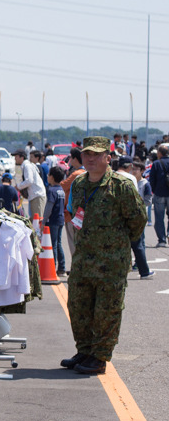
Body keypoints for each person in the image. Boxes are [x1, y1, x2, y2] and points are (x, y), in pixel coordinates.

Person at [61, 137, 147, 376]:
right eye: (87, 154)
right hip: (82, 259)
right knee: (79, 307)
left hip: (111, 262)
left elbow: (138, 220)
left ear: (108, 158)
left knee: (106, 311)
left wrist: (117, 244)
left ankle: (99, 357)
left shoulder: (121, 185)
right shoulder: (78, 184)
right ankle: (85, 350)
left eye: (97, 154)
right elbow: (75, 215)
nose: (90, 158)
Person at [60, 147, 87, 268]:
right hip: (82, 212)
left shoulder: (76, 174)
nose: (70, 160)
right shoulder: (86, 173)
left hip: (71, 213)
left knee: (72, 241)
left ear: (75, 159)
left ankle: (77, 267)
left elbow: (61, 186)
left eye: (71, 158)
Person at [44, 166, 67, 275]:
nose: (47, 177)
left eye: (48, 175)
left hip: (53, 220)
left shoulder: (52, 190)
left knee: (52, 244)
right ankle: (62, 267)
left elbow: (49, 207)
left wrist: (44, 220)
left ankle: (52, 266)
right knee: (58, 243)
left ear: (52, 177)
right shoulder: (60, 190)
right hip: (61, 219)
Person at [13, 149, 46, 220]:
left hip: (37, 195)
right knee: (34, 219)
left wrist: (18, 186)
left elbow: (29, 181)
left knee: (37, 220)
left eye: (16, 156)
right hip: (34, 196)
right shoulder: (26, 165)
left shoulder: (27, 166)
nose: (14, 158)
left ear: (22, 157)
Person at [150, 144, 169, 247]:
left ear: (160, 153)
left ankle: (162, 240)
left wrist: (154, 191)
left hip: (159, 193)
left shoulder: (156, 163)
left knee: (159, 218)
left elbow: (152, 179)